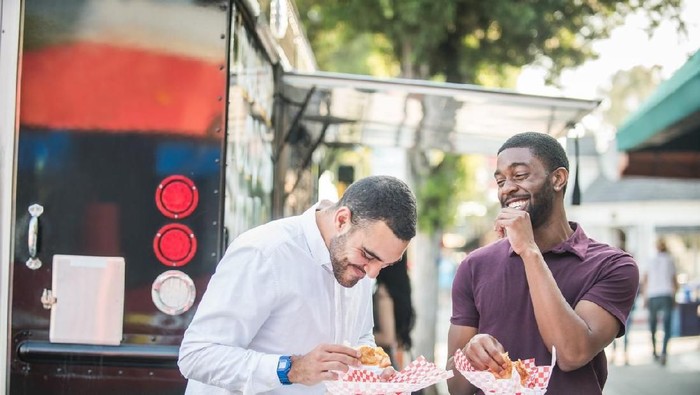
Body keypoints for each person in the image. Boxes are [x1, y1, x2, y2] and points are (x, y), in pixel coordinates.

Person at [178, 175, 417, 394]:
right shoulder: (265, 252)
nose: (372, 273)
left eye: (385, 265)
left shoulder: (358, 264)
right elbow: (197, 355)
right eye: (368, 255)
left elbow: (360, 337)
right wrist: (290, 369)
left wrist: (373, 372)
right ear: (342, 220)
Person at [446, 132, 639, 395]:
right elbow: (456, 390)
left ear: (558, 179)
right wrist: (470, 356)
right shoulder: (474, 266)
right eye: (500, 180)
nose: (507, 188)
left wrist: (529, 251)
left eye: (520, 175)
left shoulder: (612, 266)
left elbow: (571, 354)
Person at [373, 253, 416, 369]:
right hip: (388, 363)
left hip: (382, 366)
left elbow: (387, 338)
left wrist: (358, 337)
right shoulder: (401, 289)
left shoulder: (383, 293)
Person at [642, 238, 678, 366]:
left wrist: (645, 297)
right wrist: (675, 296)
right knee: (667, 326)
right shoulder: (670, 259)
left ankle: (654, 351)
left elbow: (645, 280)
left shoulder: (650, 260)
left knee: (653, 325)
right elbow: (674, 280)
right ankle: (664, 353)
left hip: (653, 295)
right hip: (666, 294)